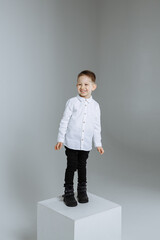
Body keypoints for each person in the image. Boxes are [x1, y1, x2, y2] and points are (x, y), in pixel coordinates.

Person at [55, 70, 104, 207]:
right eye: (79, 84)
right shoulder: (72, 102)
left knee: (82, 167)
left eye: (86, 84)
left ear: (93, 86)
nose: (82, 87)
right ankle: (68, 192)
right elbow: (64, 121)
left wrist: (98, 144)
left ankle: (82, 190)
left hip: (86, 144)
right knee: (71, 166)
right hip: (71, 142)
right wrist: (60, 139)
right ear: (76, 86)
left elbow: (96, 126)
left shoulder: (95, 106)